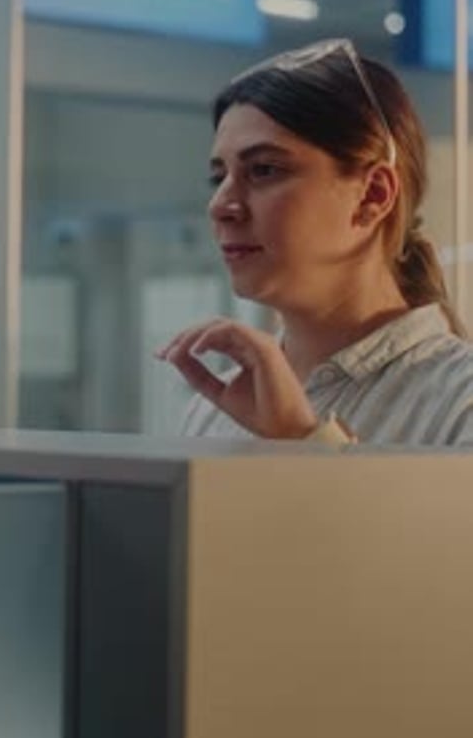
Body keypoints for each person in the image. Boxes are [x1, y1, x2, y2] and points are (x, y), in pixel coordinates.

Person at [157, 38, 473, 446]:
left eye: (264, 169)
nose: (221, 206)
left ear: (373, 195)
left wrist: (305, 440)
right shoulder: (217, 407)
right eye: (219, 178)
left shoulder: (457, 402)